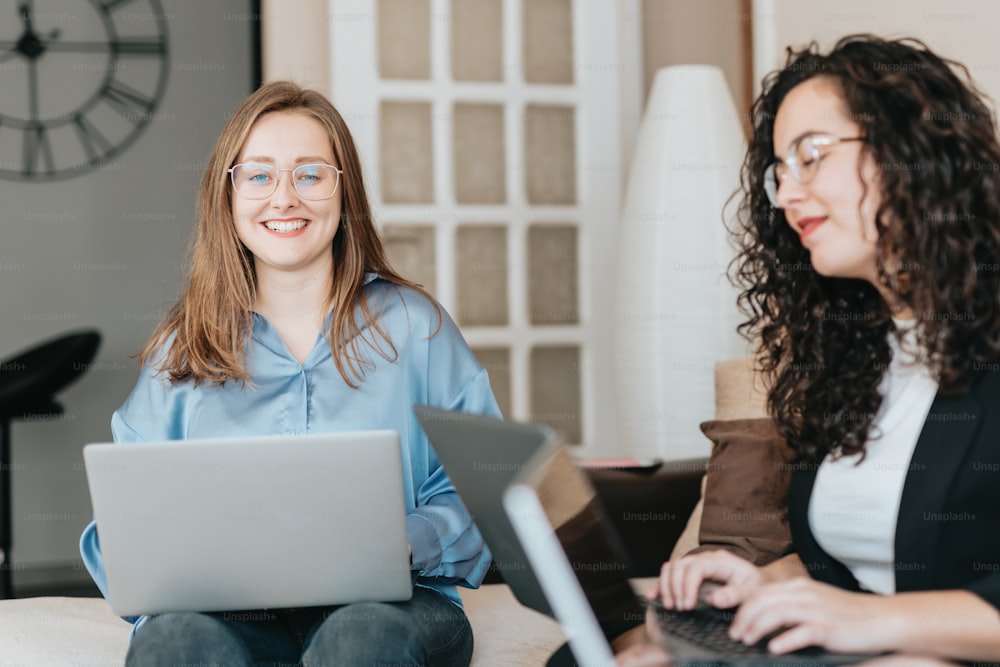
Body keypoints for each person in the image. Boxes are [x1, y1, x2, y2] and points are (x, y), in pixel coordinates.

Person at [80, 80, 500, 667]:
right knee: (174, 641)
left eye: (310, 174)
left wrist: (407, 539)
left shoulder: (414, 325)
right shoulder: (184, 346)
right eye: (258, 175)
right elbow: (120, 528)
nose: (284, 198)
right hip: (228, 616)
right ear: (227, 196)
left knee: (359, 638)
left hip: (391, 607)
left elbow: (486, 486)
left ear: (343, 189)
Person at [619, 34, 1000, 666]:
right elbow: (847, 570)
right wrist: (763, 583)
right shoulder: (853, 357)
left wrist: (869, 621)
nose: (789, 195)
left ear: (912, 152)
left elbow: (867, 603)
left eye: (811, 156)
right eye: (779, 172)